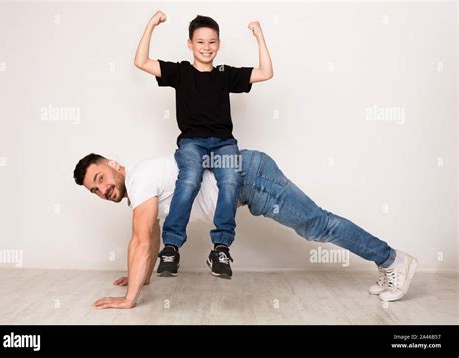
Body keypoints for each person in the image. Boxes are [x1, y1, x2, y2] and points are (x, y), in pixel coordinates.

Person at [73, 149, 418, 309]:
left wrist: (129, 298)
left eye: (101, 178)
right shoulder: (139, 190)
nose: (103, 190)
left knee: (317, 225)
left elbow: (140, 240)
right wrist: (142, 279)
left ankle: (393, 260)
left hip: (249, 177)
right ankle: (388, 262)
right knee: (316, 226)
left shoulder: (139, 177)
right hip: (246, 181)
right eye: (95, 190)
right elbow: (151, 237)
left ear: (114, 165)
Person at [133, 11, 274, 279]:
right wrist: (151, 23)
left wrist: (259, 36)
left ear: (218, 44)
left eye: (211, 42)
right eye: (200, 42)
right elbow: (140, 61)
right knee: (189, 178)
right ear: (190, 44)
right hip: (192, 143)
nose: (206, 47)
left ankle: (220, 247)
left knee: (232, 180)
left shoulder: (224, 74)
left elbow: (266, 72)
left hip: (223, 144)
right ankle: (171, 247)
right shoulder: (180, 72)